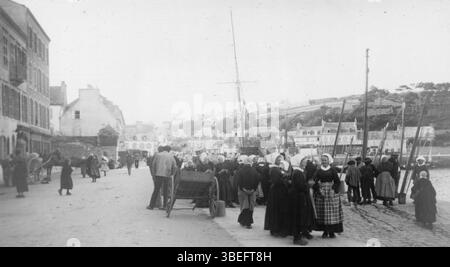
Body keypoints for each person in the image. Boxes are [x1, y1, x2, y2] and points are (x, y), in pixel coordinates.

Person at [313, 154, 343, 238]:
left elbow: (337, 181)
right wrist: (319, 189)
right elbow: (314, 181)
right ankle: (325, 231)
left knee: (332, 213)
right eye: (322, 160)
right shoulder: (318, 170)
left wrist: (333, 190)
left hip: (331, 193)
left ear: (329, 160)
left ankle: (332, 231)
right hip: (322, 192)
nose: (324, 162)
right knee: (323, 213)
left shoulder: (333, 170)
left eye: (325, 160)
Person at [288, 155, 315, 246]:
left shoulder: (298, 172)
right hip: (298, 198)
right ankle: (297, 238)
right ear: (299, 162)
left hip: (298, 197)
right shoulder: (298, 173)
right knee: (298, 217)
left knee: (300, 217)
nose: (306, 162)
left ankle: (299, 235)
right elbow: (300, 187)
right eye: (304, 161)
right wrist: (309, 185)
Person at [264, 155, 290, 237]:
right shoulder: (274, 169)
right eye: (277, 159)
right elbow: (276, 181)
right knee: (276, 210)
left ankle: (276, 228)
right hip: (277, 193)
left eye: (280, 159)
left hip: (277, 192)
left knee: (276, 210)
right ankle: (275, 229)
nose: (279, 160)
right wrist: (286, 180)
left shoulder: (277, 168)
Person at [148, 146, 177, 210]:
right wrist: (172, 174)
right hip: (167, 175)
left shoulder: (158, 155)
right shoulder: (171, 156)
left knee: (156, 190)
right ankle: (164, 206)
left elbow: (153, 165)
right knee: (166, 191)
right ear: (169, 150)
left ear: (163, 149)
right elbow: (175, 167)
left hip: (158, 174)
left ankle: (151, 206)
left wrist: (153, 174)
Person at [235, 156, 260, 229]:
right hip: (252, 191)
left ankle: (243, 221)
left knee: (244, 206)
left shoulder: (240, 170)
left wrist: (243, 189)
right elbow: (257, 180)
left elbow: (239, 181)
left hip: (243, 192)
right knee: (251, 207)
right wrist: (253, 189)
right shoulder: (254, 170)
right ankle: (248, 223)